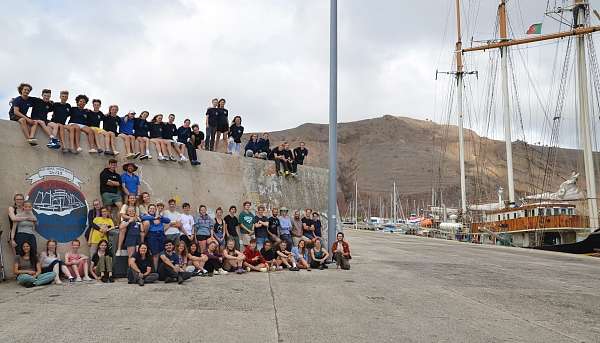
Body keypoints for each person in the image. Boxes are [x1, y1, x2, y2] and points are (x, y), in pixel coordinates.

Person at [141, 204, 171, 268]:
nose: (152, 210)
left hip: (161, 235)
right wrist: (154, 218)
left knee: (163, 253)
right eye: (150, 209)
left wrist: (160, 217)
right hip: (152, 235)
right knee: (155, 254)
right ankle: (155, 270)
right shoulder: (147, 216)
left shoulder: (159, 216)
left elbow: (168, 221)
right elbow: (143, 218)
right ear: (148, 210)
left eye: (153, 209)